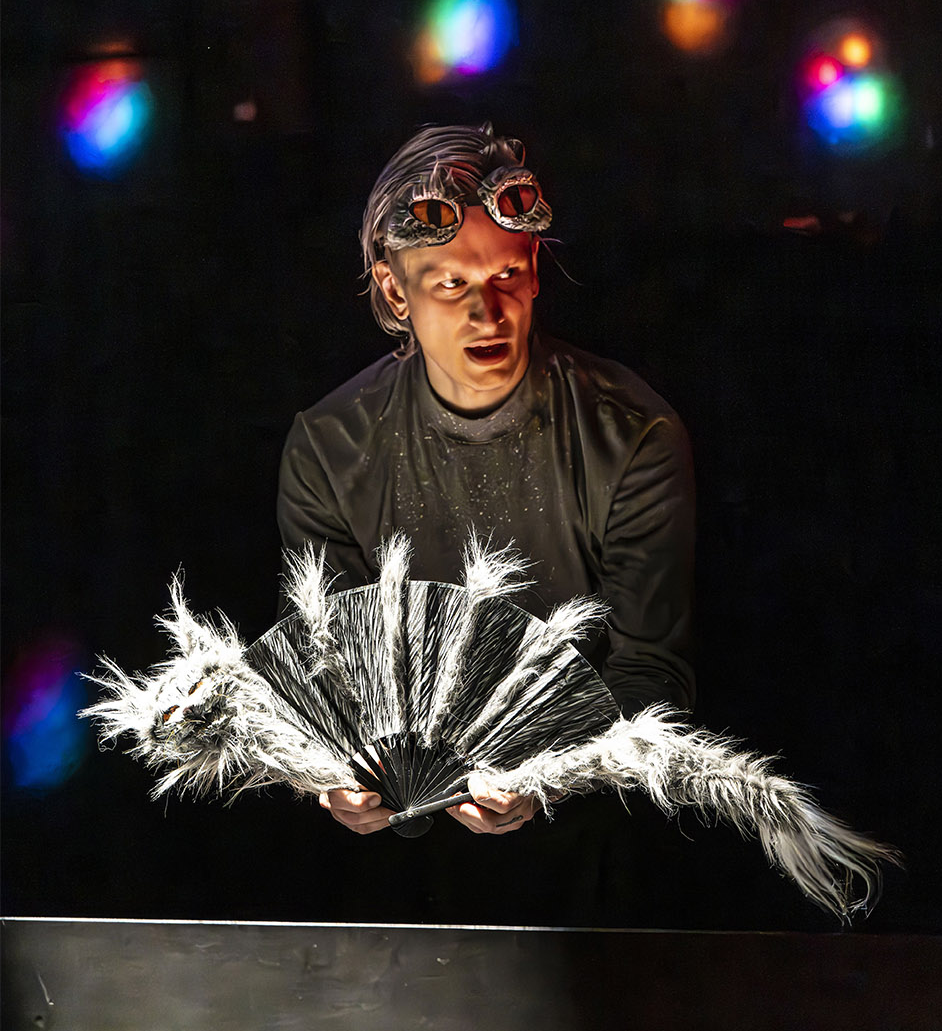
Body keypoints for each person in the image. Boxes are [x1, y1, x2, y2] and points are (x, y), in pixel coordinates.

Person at [277, 122, 695, 851]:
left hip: (598, 842)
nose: (487, 312)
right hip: (387, 865)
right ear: (395, 291)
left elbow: (651, 668)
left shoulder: (632, 436)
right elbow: (326, 663)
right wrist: (329, 771)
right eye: (451, 284)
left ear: (534, 271)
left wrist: (549, 776)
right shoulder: (330, 448)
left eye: (507, 275)